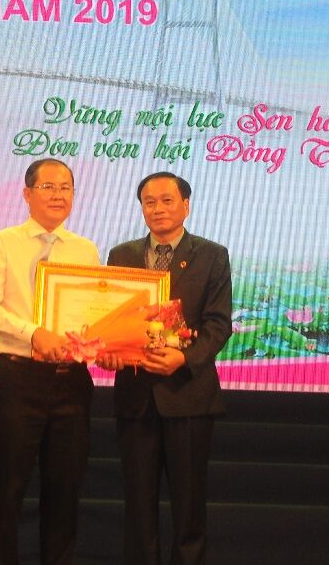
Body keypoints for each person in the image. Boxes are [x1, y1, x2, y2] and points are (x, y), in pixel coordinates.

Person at [0, 158, 101, 565]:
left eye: (66, 187)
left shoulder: (84, 249)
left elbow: (92, 313)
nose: (58, 195)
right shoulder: (2, 243)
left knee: (65, 491)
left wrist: (101, 340)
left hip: (72, 381)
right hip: (20, 379)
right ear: (27, 194)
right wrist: (33, 333)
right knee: (8, 489)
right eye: (48, 187)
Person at [100, 172, 232, 565]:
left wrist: (184, 358)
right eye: (149, 202)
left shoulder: (212, 255)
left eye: (167, 200)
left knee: (189, 506)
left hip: (188, 397)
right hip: (135, 397)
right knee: (138, 504)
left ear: (185, 205)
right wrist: (109, 350)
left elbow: (218, 324)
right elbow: (113, 320)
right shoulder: (121, 256)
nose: (158, 208)